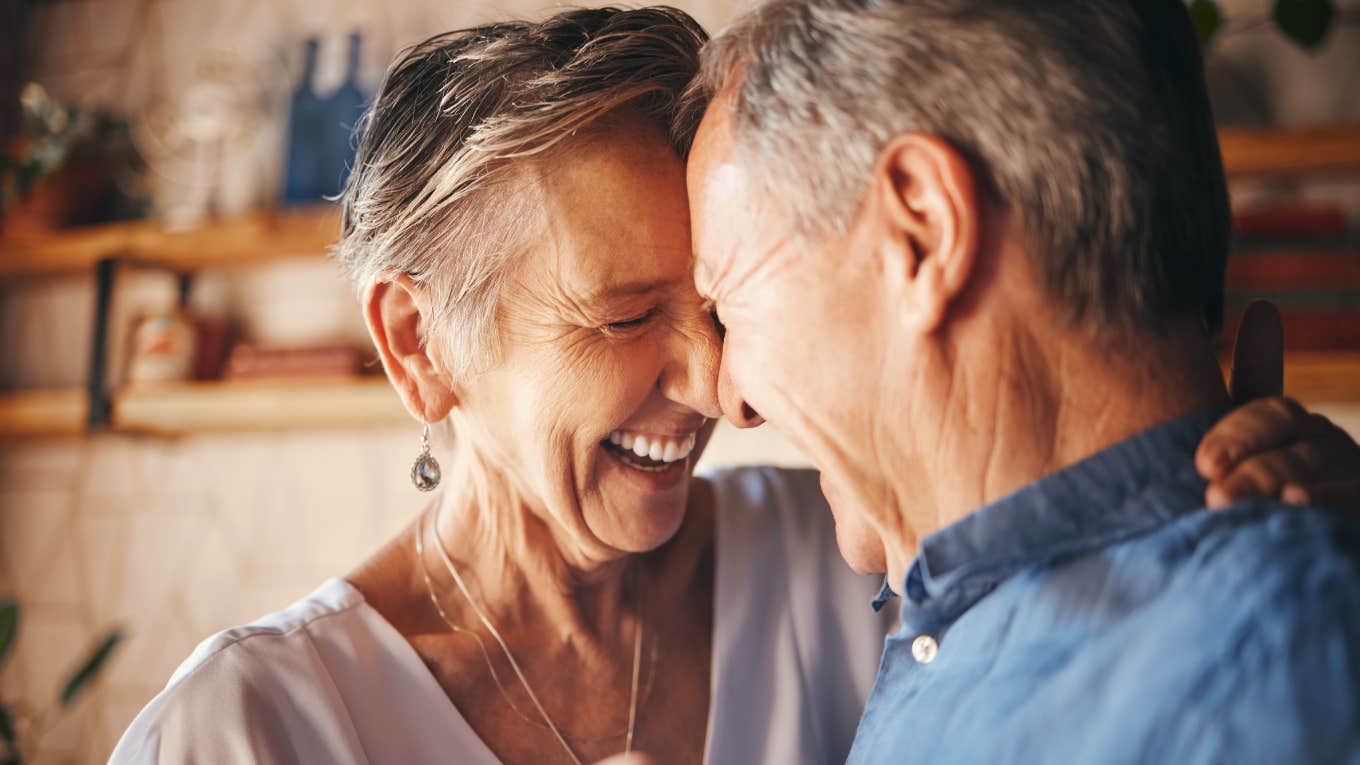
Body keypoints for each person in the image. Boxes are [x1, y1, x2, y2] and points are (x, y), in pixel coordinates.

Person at [111, 6, 1355, 765]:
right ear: (418, 347)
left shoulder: (862, 571)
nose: (719, 389)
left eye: (718, 302)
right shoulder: (235, 735)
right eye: (624, 313)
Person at [681, 0, 1360, 762]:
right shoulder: (982, 637)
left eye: (723, 302)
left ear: (924, 231)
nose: (727, 396)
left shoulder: (1266, 683)